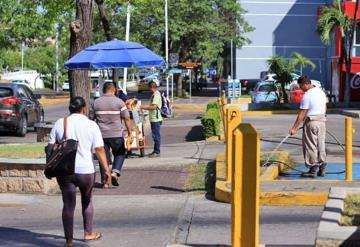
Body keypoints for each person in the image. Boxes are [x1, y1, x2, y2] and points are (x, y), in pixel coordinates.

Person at [48, 97, 111, 247]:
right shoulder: (91, 125)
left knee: (68, 205)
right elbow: (100, 149)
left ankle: (69, 241)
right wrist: (107, 170)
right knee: (87, 201)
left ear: (70, 108)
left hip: (65, 171)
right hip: (86, 170)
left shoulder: (59, 123)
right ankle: (88, 233)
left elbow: (50, 147)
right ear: (83, 109)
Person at [93, 81, 133, 187]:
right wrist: (130, 132)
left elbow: (91, 119)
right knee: (120, 153)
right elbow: (127, 118)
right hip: (116, 135)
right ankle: (114, 172)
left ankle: (105, 182)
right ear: (114, 90)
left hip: (101, 136)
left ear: (103, 90)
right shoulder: (119, 102)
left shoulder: (96, 103)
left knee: (103, 158)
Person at [289, 76, 327, 178]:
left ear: (305, 84)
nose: (301, 89)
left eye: (301, 86)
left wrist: (294, 128)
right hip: (322, 121)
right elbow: (325, 106)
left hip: (312, 122)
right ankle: (322, 167)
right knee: (321, 144)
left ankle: (313, 169)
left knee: (310, 146)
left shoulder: (307, 95)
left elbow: (302, 113)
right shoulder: (321, 92)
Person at [140, 80, 162, 158]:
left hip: (156, 119)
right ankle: (155, 150)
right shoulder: (154, 94)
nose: (148, 89)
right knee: (155, 135)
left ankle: (157, 151)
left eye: (149, 88)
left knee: (156, 136)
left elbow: (153, 107)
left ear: (151, 87)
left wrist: (141, 107)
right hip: (153, 118)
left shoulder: (156, 95)